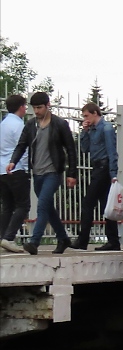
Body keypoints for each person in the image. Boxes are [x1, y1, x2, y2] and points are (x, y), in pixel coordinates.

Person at [6, 91, 77, 255]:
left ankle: (34, 242)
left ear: (47, 105)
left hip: (53, 172)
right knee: (48, 208)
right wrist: (13, 161)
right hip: (37, 173)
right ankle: (63, 238)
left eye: (39, 107)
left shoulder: (59, 124)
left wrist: (72, 173)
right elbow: (22, 145)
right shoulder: (31, 125)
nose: (36, 111)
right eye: (34, 108)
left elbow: (71, 150)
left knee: (42, 205)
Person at [73, 102, 120, 251]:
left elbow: (112, 151)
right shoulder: (92, 129)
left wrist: (113, 173)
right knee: (106, 205)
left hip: (103, 167)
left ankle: (82, 240)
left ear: (95, 113)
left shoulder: (106, 128)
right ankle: (113, 241)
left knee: (88, 203)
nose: (85, 118)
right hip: (97, 166)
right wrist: (84, 132)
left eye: (87, 115)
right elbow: (85, 149)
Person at [0, 94, 32, 253]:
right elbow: (23, 147)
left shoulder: (3, 124)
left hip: (1, 169)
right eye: (25, 106)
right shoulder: (19, 125)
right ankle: (9, 237)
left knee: (7, 205)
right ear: (21, 107)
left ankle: (3, 237)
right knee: (23, 204)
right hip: (16, 168)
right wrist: (26, 168)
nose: (26, 108)